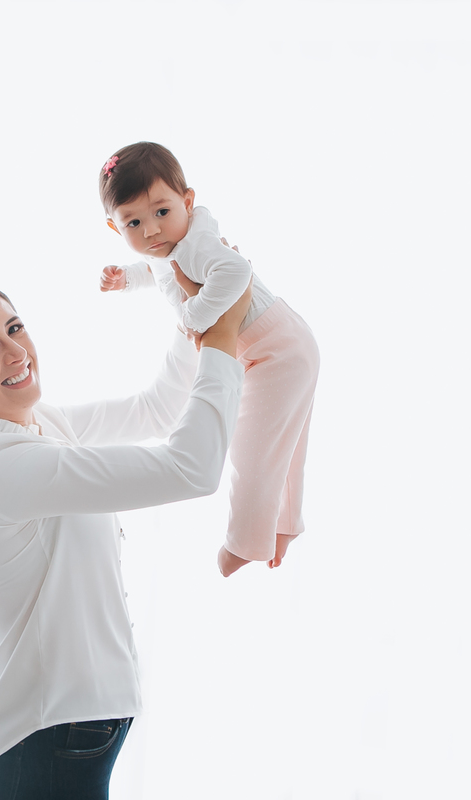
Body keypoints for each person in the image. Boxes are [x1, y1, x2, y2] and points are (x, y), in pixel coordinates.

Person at [0, 276, 248, 799]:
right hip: (37, 744)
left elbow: (156, 410)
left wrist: (195, 313)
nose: (17, 352)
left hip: (61, 730)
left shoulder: (33, 425)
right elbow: (190, 469)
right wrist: (222, 337)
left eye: (14, 328)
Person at [97, 142, 320, 576]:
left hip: (275, 354)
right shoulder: (167, 247)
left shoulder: (195, 243)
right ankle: (285, 524)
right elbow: (158, 270)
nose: (151, 231)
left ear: (187, 201)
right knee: (285, 446)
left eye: (162, 212)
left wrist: (192, 317)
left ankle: (244, 543)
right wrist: (127, 279)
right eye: (134, 223)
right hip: (284, 345)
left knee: (251, 451)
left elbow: (237, 271)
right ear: (114, 227)